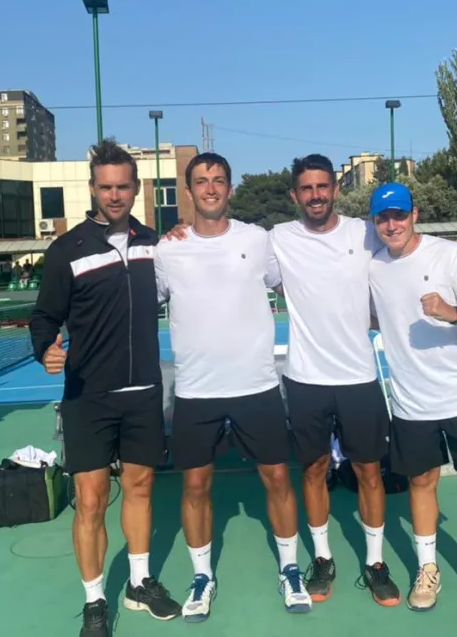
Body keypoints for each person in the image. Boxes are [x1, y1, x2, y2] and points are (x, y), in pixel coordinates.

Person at [266, 155, 457, 606]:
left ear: (336, 191)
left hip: (360, 378)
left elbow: (410, 240)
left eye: (323, 186)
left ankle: (375, 562)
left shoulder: (364, 233)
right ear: (294, 196)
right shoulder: (277, 240)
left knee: (369, 472)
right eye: (307, 188)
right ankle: (322, 559)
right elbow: (235, 257)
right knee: (314, 470)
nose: (316, 195)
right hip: (305, 378)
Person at [29, 139, 182, 637]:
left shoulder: (154, 244)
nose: (114, 196)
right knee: (91, 500)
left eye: (122, 187)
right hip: (88, 396)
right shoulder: (66, 250)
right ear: (92, 189)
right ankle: (95, 600)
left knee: (140, 487)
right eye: (105, 188)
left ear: (136, 189)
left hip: (143, 392)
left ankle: (139, 583)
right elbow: (44, 317)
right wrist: (44, 348)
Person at [155, 152, 311, 622]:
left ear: (229, 188)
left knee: (279, 478)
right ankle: (202, 576)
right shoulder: (168, 249)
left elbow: (301, 282)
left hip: (256, 385)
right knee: (196, 484)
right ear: (188, 191)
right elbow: (139, 297)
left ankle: (289, 568)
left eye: (218, 180)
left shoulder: (258, 240)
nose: (210, 189)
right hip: (196, 391)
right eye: (201, 181)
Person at [365, 181, 457, 629]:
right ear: (374, 223)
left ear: (415, 214)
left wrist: (452, 312)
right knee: (421, 485)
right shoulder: (372, 267)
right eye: (383, 217)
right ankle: (428, 572)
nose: (392, 224)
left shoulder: (450, 255)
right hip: (411, 403)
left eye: (400, 215)